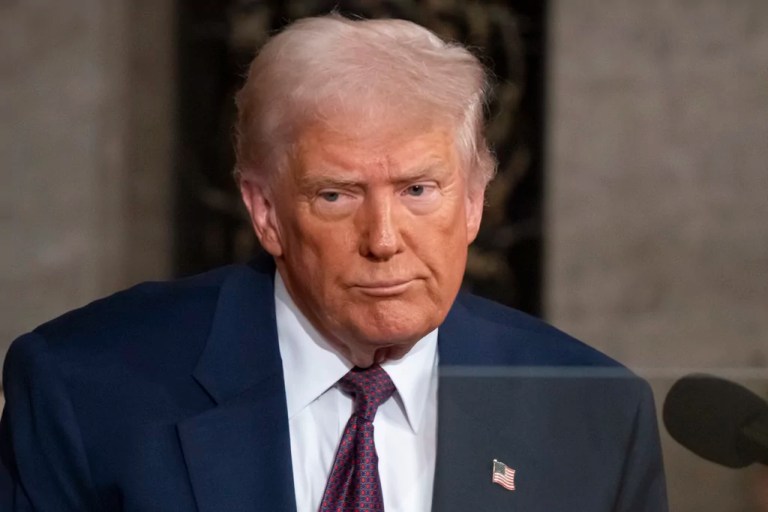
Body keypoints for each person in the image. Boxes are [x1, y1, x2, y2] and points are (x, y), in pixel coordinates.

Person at [0, 14, 667, 512]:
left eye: (418, 190)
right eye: (336, 195)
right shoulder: (83, 390)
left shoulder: (595, 412)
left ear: (472, 202)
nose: (383, 239)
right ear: (265, 213)